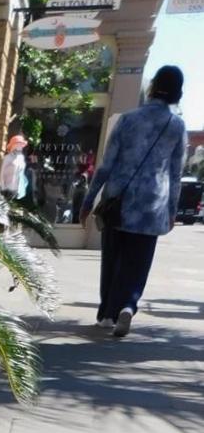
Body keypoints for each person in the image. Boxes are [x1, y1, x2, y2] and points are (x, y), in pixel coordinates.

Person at [79, 65, 187, 337]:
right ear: (177, 92)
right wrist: (172, 210)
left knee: (112, 258)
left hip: (119, 199)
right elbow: (176, 173)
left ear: (152, 87)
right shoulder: (176, 126)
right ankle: (127, 306)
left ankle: (105, 314)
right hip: (153, 204)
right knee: (138, 262)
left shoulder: (128, 120)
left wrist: (88, 200)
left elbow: (106, 165)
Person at [0, 134, 27, 200]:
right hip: (6, 188)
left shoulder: (21, 158)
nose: (20, 147)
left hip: (15, 189)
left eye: (21, 145)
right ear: (13, 146)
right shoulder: (8, 158)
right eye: (18, 144)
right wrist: (3, 188)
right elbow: (2, 174)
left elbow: (21, 174)